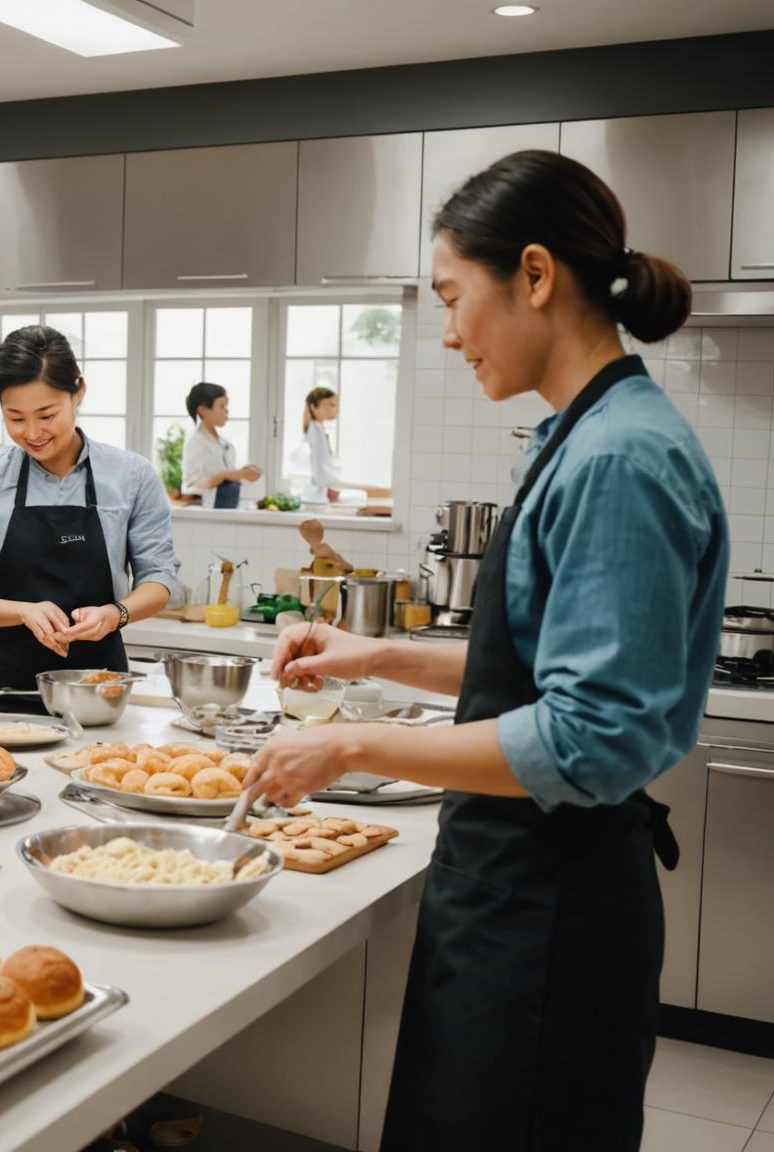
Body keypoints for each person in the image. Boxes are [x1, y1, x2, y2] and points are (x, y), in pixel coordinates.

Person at [247, 150, 725, 1152]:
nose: (451, 330)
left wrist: (347, 749)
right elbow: (541, 670)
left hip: (551, 917)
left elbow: (586, 737)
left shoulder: (619, 457)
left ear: (537, 276)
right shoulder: (575, 436)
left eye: (454, 297)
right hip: (510, 898)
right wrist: (370, 658)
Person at [0, 326, 180, 712]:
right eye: (15, 418)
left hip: (98, 695)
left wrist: (115, 614)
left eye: (47, 414)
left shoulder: (132, 476)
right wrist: (22, 610)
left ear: (79, 393)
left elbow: (159, 579)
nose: (33, 433)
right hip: (6, 695)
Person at [295, 387, 390, 506]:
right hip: (319, 496)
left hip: (323, 493)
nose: (335, 410)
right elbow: (320, 474)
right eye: (330, 405)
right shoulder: (314, 432)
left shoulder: (318, 430)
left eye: (336, 405)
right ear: (314, 407)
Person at [179, 382, 258, 508]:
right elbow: (191, 487)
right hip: (209, 513)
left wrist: (242, 473)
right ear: (203, 410)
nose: (226, 411)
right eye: (222, 406)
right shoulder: (195, 442)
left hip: (226, 508)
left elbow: (225, 475)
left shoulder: (223, 443)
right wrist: (227, 475)